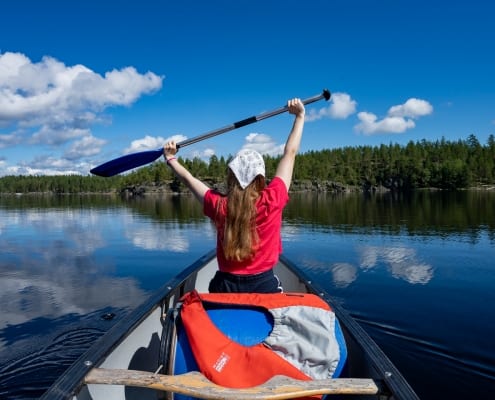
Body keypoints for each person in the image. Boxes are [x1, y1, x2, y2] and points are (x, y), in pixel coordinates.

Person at [163, 98, 305, 293]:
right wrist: (299, 116)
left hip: (224, 286)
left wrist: (171, 158)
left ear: (231, 176)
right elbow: (290, 153)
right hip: (264, 285)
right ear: (261, 178)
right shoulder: (273, 198)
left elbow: (188, 179)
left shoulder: (218, 205)